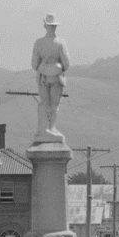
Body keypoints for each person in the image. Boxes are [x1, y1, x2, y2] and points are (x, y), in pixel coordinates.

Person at [31, 13, 70, 142]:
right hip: (54, 77)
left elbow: (34, 64)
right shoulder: (60, 43)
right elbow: (66, 63)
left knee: (46, 104)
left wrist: (44, 67)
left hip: (44, 77)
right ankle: (48, 129)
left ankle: (47, 129)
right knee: (53, 105)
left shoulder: (39, 43)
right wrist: (57, 67)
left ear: (45, 26)